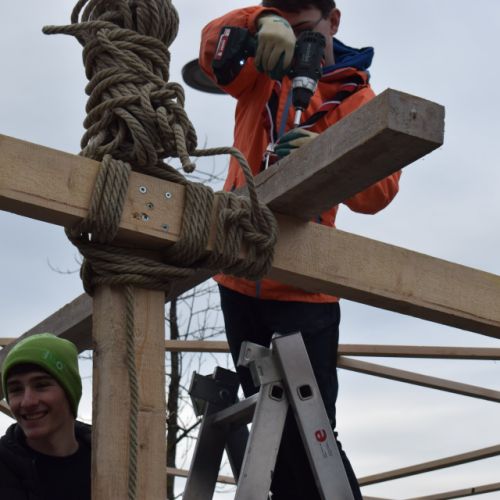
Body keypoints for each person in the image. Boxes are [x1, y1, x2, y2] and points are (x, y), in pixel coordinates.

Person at [200, 1, 401, 498]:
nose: (295, 43)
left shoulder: (357, 97)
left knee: (313, 438)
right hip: (240, 279)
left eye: (305, 29)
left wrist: (330, 155)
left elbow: (378, 194)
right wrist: (255, 22)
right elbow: (211, 51)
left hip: (305, 293)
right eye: (284, 29)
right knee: (272, 437)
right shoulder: (260, 74)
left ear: (334, 21)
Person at [0, 333, 91, 500]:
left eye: (41, 385)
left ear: (70, 392)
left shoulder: (114, 458)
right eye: (16, 389)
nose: (27, 402)